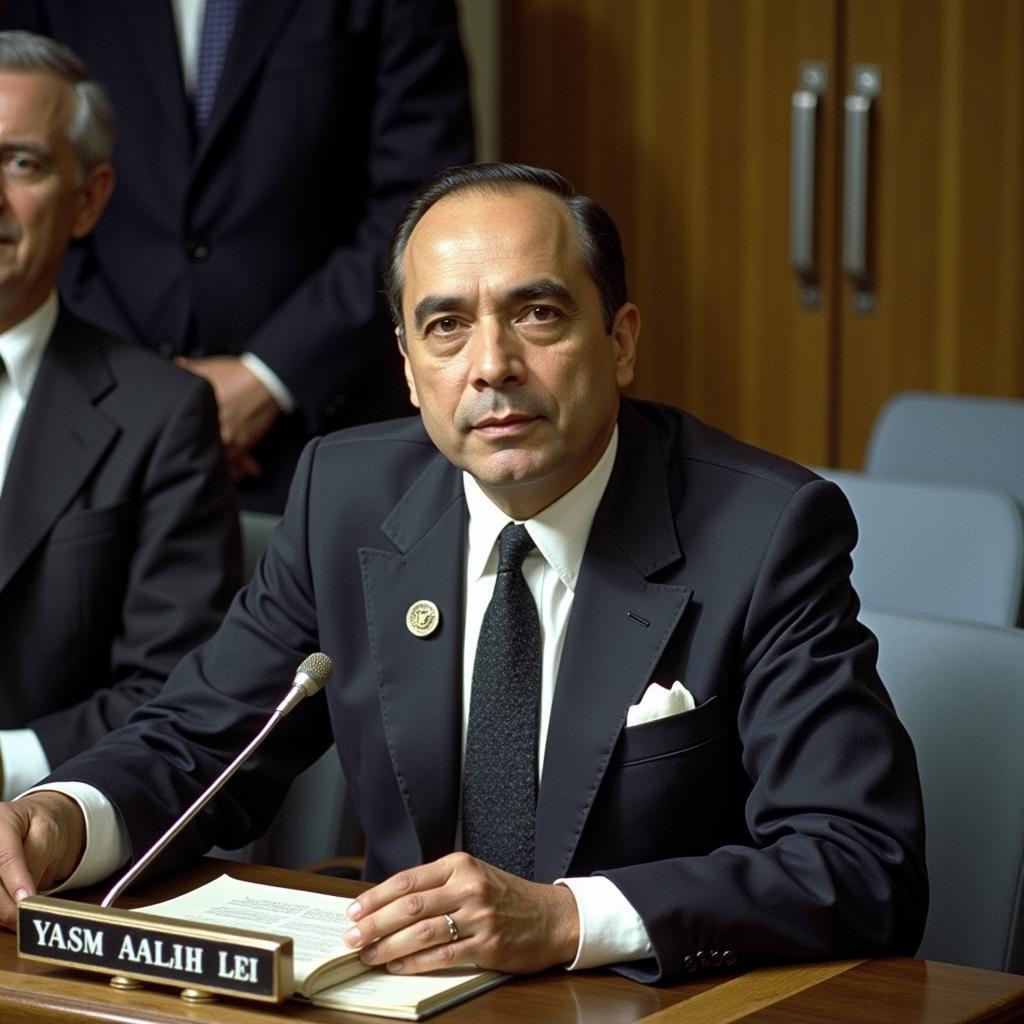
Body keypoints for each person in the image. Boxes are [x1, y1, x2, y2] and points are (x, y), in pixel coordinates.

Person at [0, 163, 927, 983]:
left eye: (538, 313)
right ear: (407, 369)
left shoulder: (765, 532)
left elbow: (858, 860)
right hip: (397, 1000)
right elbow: (196, 746)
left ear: (623, 340)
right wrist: (57, 820)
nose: (492, 366)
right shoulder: (344, 498)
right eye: (446, 326)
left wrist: (564, 917)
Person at [0, 0, 475, 512]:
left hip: (323, 434)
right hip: (93, 421)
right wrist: (148, 388)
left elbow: (423, 205)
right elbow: (37, 203)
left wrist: (268, 376)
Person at [0, 32, 241, 801]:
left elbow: (172, 691)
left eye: (22, 163)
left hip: (45, 847)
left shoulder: (161, 416)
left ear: (89, 197)